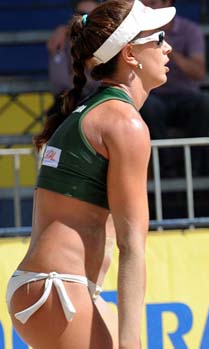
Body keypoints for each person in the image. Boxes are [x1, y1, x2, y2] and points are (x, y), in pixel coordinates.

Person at [5, 1, 175, 348]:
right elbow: (132, 247)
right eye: (157, 39)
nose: (167, 47)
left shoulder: (94, 111)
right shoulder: (123, 123)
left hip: (49, 287)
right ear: (130, 53)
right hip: (58, 288)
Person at [140, 0, 209, 175]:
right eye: (144, 4)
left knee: (208, 103)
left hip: (186, 96)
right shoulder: (139, 31)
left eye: (152, 3)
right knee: (147, 105)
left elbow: (199, 72)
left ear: (167, 3)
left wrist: (167, 49)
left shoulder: (190, 30)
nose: (148, 8)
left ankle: (191, 163)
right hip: (154, 96)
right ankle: (165, 164)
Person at [46, 0, 100, 117]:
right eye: (82, 14)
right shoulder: (62, 41)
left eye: (93, 14)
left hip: (99, 98)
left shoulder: (108, 39)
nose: (87, 19)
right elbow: (59, 81)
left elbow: (108, 78)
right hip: (74, 98)